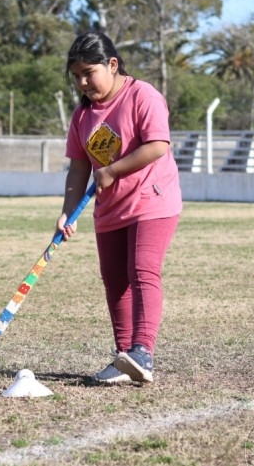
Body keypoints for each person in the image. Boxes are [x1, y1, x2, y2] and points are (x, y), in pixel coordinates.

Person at [57, 31, 182, 384]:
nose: (82, 82)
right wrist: (68, 211)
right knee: (114, 280)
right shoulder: (82, 116)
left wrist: (112, 170)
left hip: (152, 200)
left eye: (88, 73)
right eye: (76, 76)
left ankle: (143, 351)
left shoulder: (143, 96)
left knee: (142, 270)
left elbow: (157, 145)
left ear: (112, 65)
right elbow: (79, 167)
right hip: (110, 208)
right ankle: (125, 357)